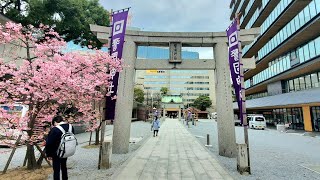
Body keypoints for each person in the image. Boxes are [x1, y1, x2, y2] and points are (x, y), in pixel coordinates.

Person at [45, 116, 75, 180]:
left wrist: (49, 154)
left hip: (56, 152)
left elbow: (49, 143)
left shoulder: (55, 129)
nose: (54, 126)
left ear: (55, 122)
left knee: (56, 169)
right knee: (64, 167)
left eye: (54, 124)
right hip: (66, 150)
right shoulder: (70, 127)